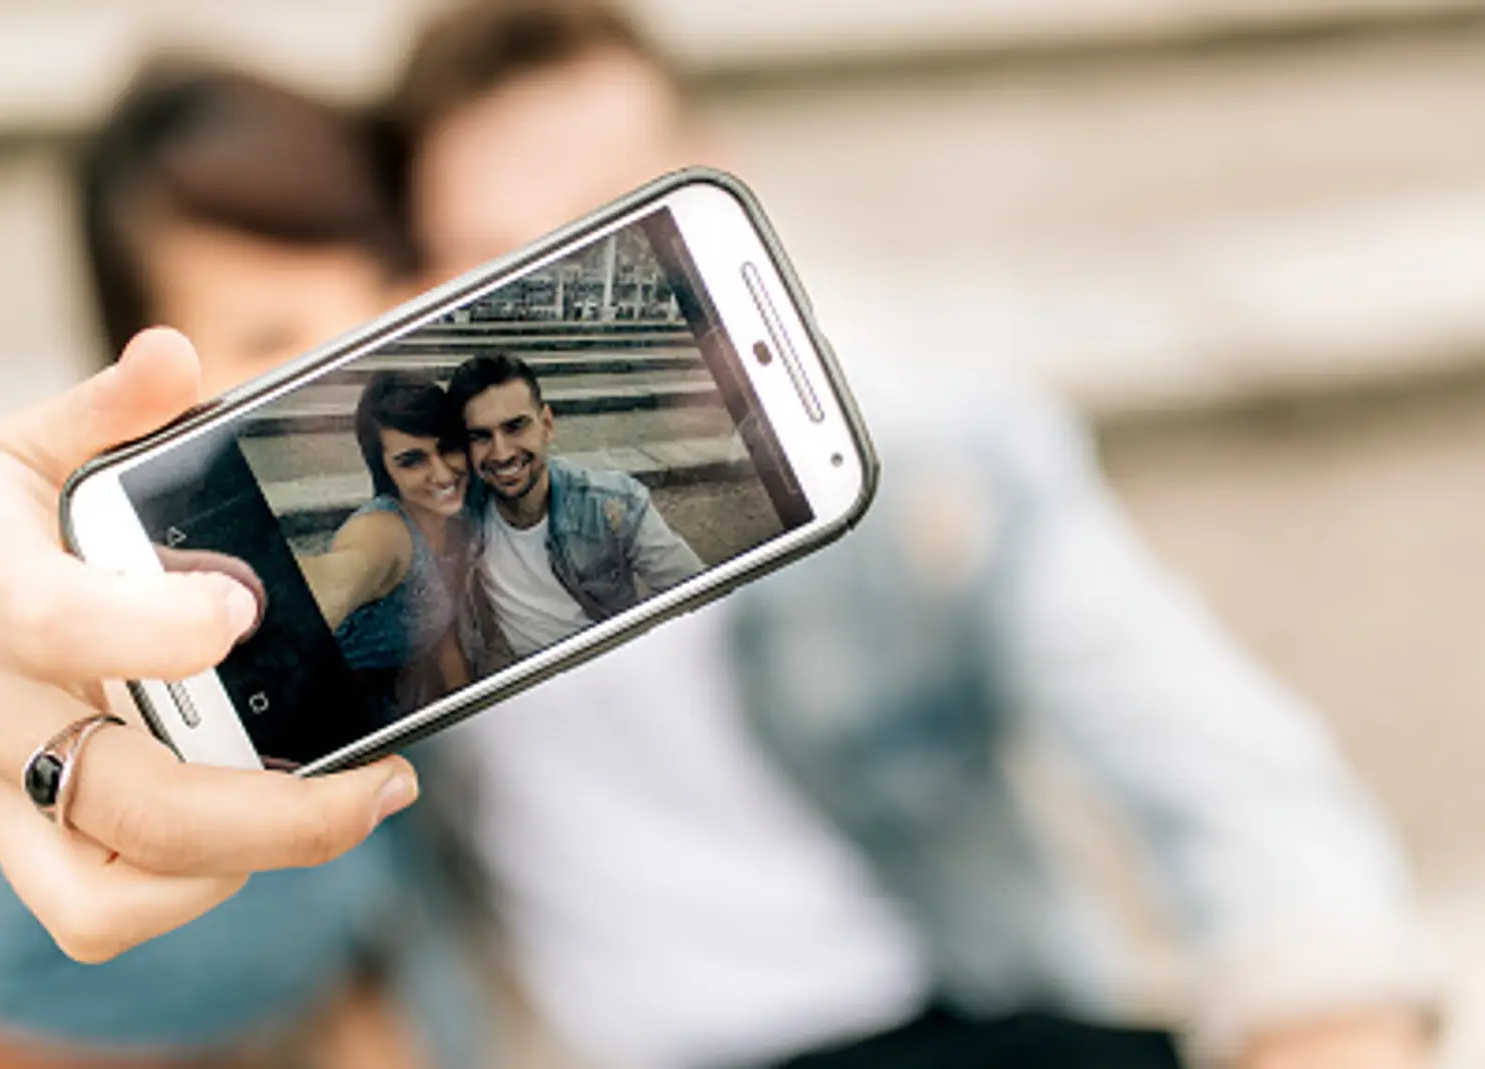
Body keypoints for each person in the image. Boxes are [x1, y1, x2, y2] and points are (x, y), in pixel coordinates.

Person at [379, 3, 1439, 1069]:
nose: (567, 309)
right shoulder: (409, 539)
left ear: (717, 193)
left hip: (937, 1023)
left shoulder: (928, 455)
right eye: (496, 267)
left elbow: (1215, 760)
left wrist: (1328, 1007)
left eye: (612, 234)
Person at [0, 63, 468, 1069]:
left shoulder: (422, 519)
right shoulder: (91, 604)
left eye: (377, 303)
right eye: (271, 338)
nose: (352, 369)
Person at [443, 352, 701, 671]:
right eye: (480, 436)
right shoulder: (462, 511)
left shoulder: (612, 505)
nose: (501, 453)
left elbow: (702, 599)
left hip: (611, 670)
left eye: (515, 427)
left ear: (547, 425)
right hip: (521, 683)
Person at [301, 371, 474, 716]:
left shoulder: (456, 522)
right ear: (383, 470)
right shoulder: (384, 532)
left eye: (448, 448)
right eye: (412, 461)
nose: (441, 474)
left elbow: (443, 638)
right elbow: (342, 573)